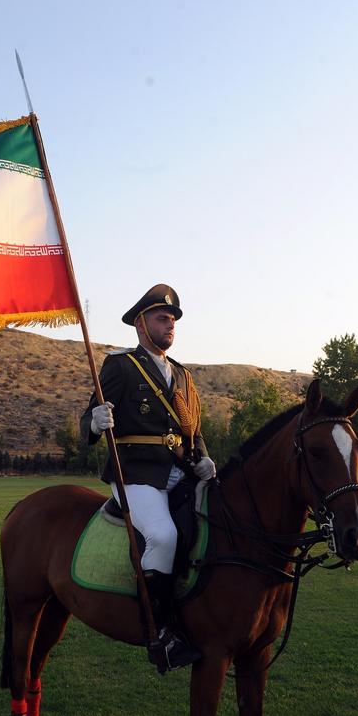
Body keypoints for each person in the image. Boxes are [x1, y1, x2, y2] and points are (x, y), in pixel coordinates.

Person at [80, 284, 216, 672]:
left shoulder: (184, 376)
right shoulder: (121, 366)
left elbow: (193, 430)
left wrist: (204, 458)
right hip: (136, 473)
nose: (170, 324)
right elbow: (89, 418)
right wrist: (96, 421)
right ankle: (161, 632)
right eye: (162, 318)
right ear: (141, 324)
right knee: (163, 535)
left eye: (173, 319)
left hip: (181, 470)